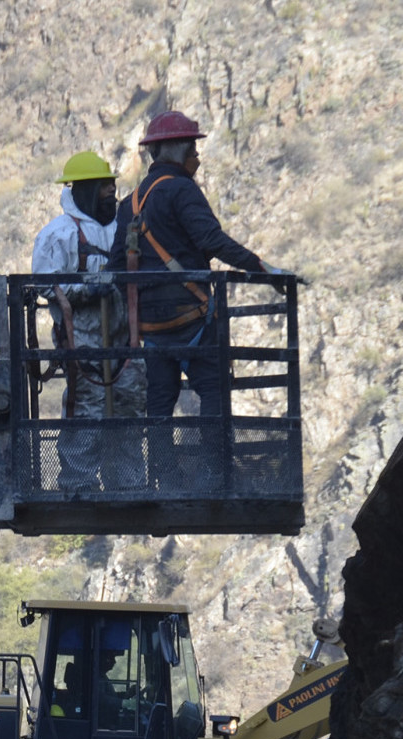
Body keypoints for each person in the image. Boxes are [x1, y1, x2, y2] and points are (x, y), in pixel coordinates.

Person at [107, 111, 282, 486]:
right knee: (213, 391)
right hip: (192, 318)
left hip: (152, 327)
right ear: (177, 150)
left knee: (160, 401)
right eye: (193, 149)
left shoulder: (130, 203)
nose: (197, 158)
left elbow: (117, 265)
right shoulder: (182, 190)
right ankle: (214, 471)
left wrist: (144, 310)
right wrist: (263, 269)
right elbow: (212, 241)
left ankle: (164, 475)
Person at [32, 150, 145, 492]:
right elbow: (44, 284)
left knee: (128, 408)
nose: (111, 193)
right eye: (103, 188)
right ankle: (77, 482)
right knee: (87, 412)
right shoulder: (58, 234)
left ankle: (126, 483)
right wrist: (92, 288)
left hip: (124, 340)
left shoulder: (122, 230)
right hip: (82, 340)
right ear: (84, 190)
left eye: (112, 187)